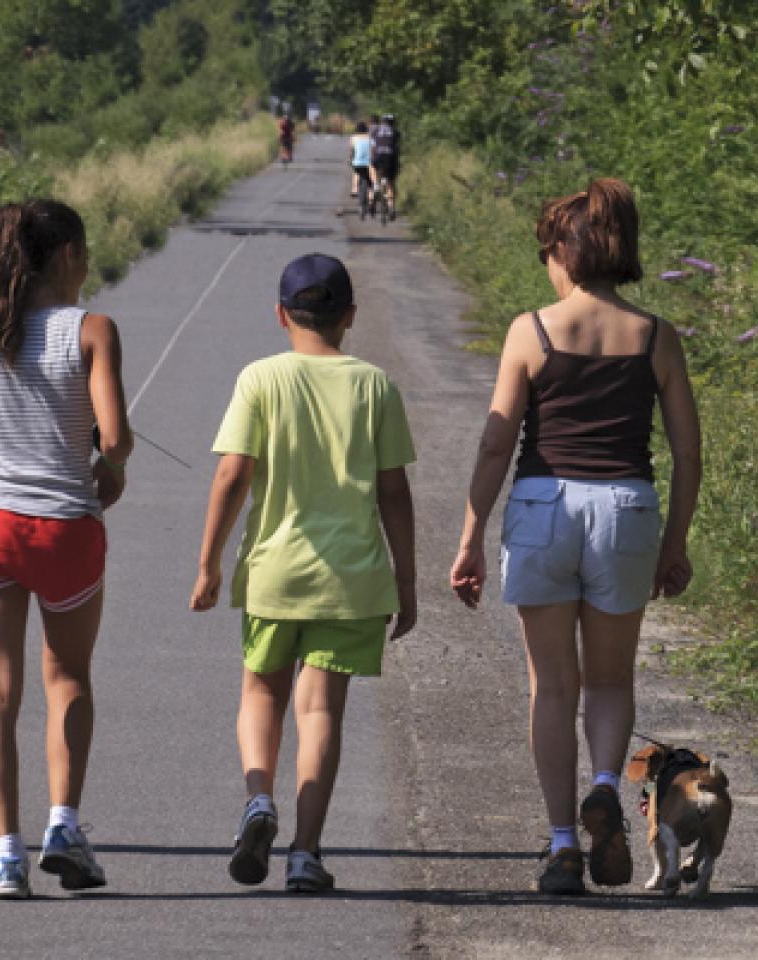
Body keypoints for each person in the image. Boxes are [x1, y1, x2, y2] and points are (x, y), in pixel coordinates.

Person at [448, 178, 701, 895]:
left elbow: (497, 445)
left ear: (569, 249)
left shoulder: (529, 331)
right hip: (625, 507)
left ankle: (563, 844)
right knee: (612, 679)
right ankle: (602, 785)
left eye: (546, 249)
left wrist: (469, 536)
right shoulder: (656, 337)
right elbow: (688, 452)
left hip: (542, 506)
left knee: (551, 685)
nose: (545, 264)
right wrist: (673, 542)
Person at [190, 254, 417, 894]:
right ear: (350, 317)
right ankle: (306, 853)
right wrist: (408, 582)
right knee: (322, 713)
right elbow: (394, 492)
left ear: (281, 314)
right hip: (351, 580)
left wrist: (208, 563)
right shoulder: (375, 386)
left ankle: (259, 798)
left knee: (262, 693)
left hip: (275, 574)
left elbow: (232, 475)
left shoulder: (261, 379)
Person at [0, 200, 132, 900]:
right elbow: (113, 440)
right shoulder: (92, 330)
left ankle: (5, 858)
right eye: (85, 256)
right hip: (64, 527)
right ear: (67, 258)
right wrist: (111, 472)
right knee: (68, 677)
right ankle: (64, 824)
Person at [369, 113, 401, 210]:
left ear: (382, 121)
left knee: (372, 166)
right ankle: (391, 205)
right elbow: (397, 147)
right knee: (391, 180)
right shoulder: (396, 132)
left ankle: (375, 185)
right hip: (390, 157)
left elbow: (372, 146)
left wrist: (372, 157)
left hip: (378, 156)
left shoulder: (375, 131)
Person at [347, 121, 375, 207]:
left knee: (356, 172)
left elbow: (351, 151)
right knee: (370, 182)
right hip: (369, 164)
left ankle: (354, 189)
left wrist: (350, 159)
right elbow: (373, 150)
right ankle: (371, 199)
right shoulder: (370, 138)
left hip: (358, 163)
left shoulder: (353, 138)